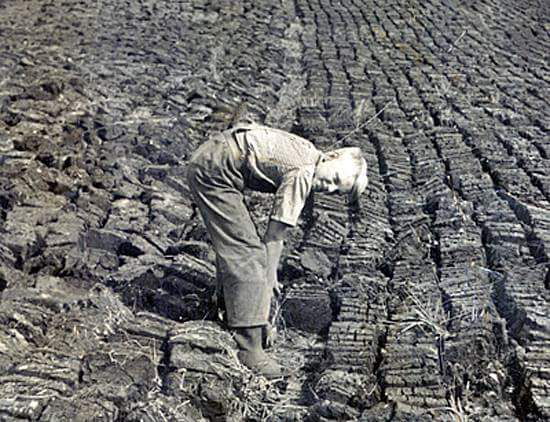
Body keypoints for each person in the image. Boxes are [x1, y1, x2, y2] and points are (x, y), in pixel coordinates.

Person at [186, 122, 368, 378]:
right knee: (248, 253)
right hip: (215, 170)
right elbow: (274, 237)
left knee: (237, 244)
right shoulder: (303, 172)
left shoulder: (308, 151)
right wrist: (269, 282)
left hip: (214, 157)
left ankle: (232, 313)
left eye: (338, 191)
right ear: (332, 156)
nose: (330, 188)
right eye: (336, 179)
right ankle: (249, 348)